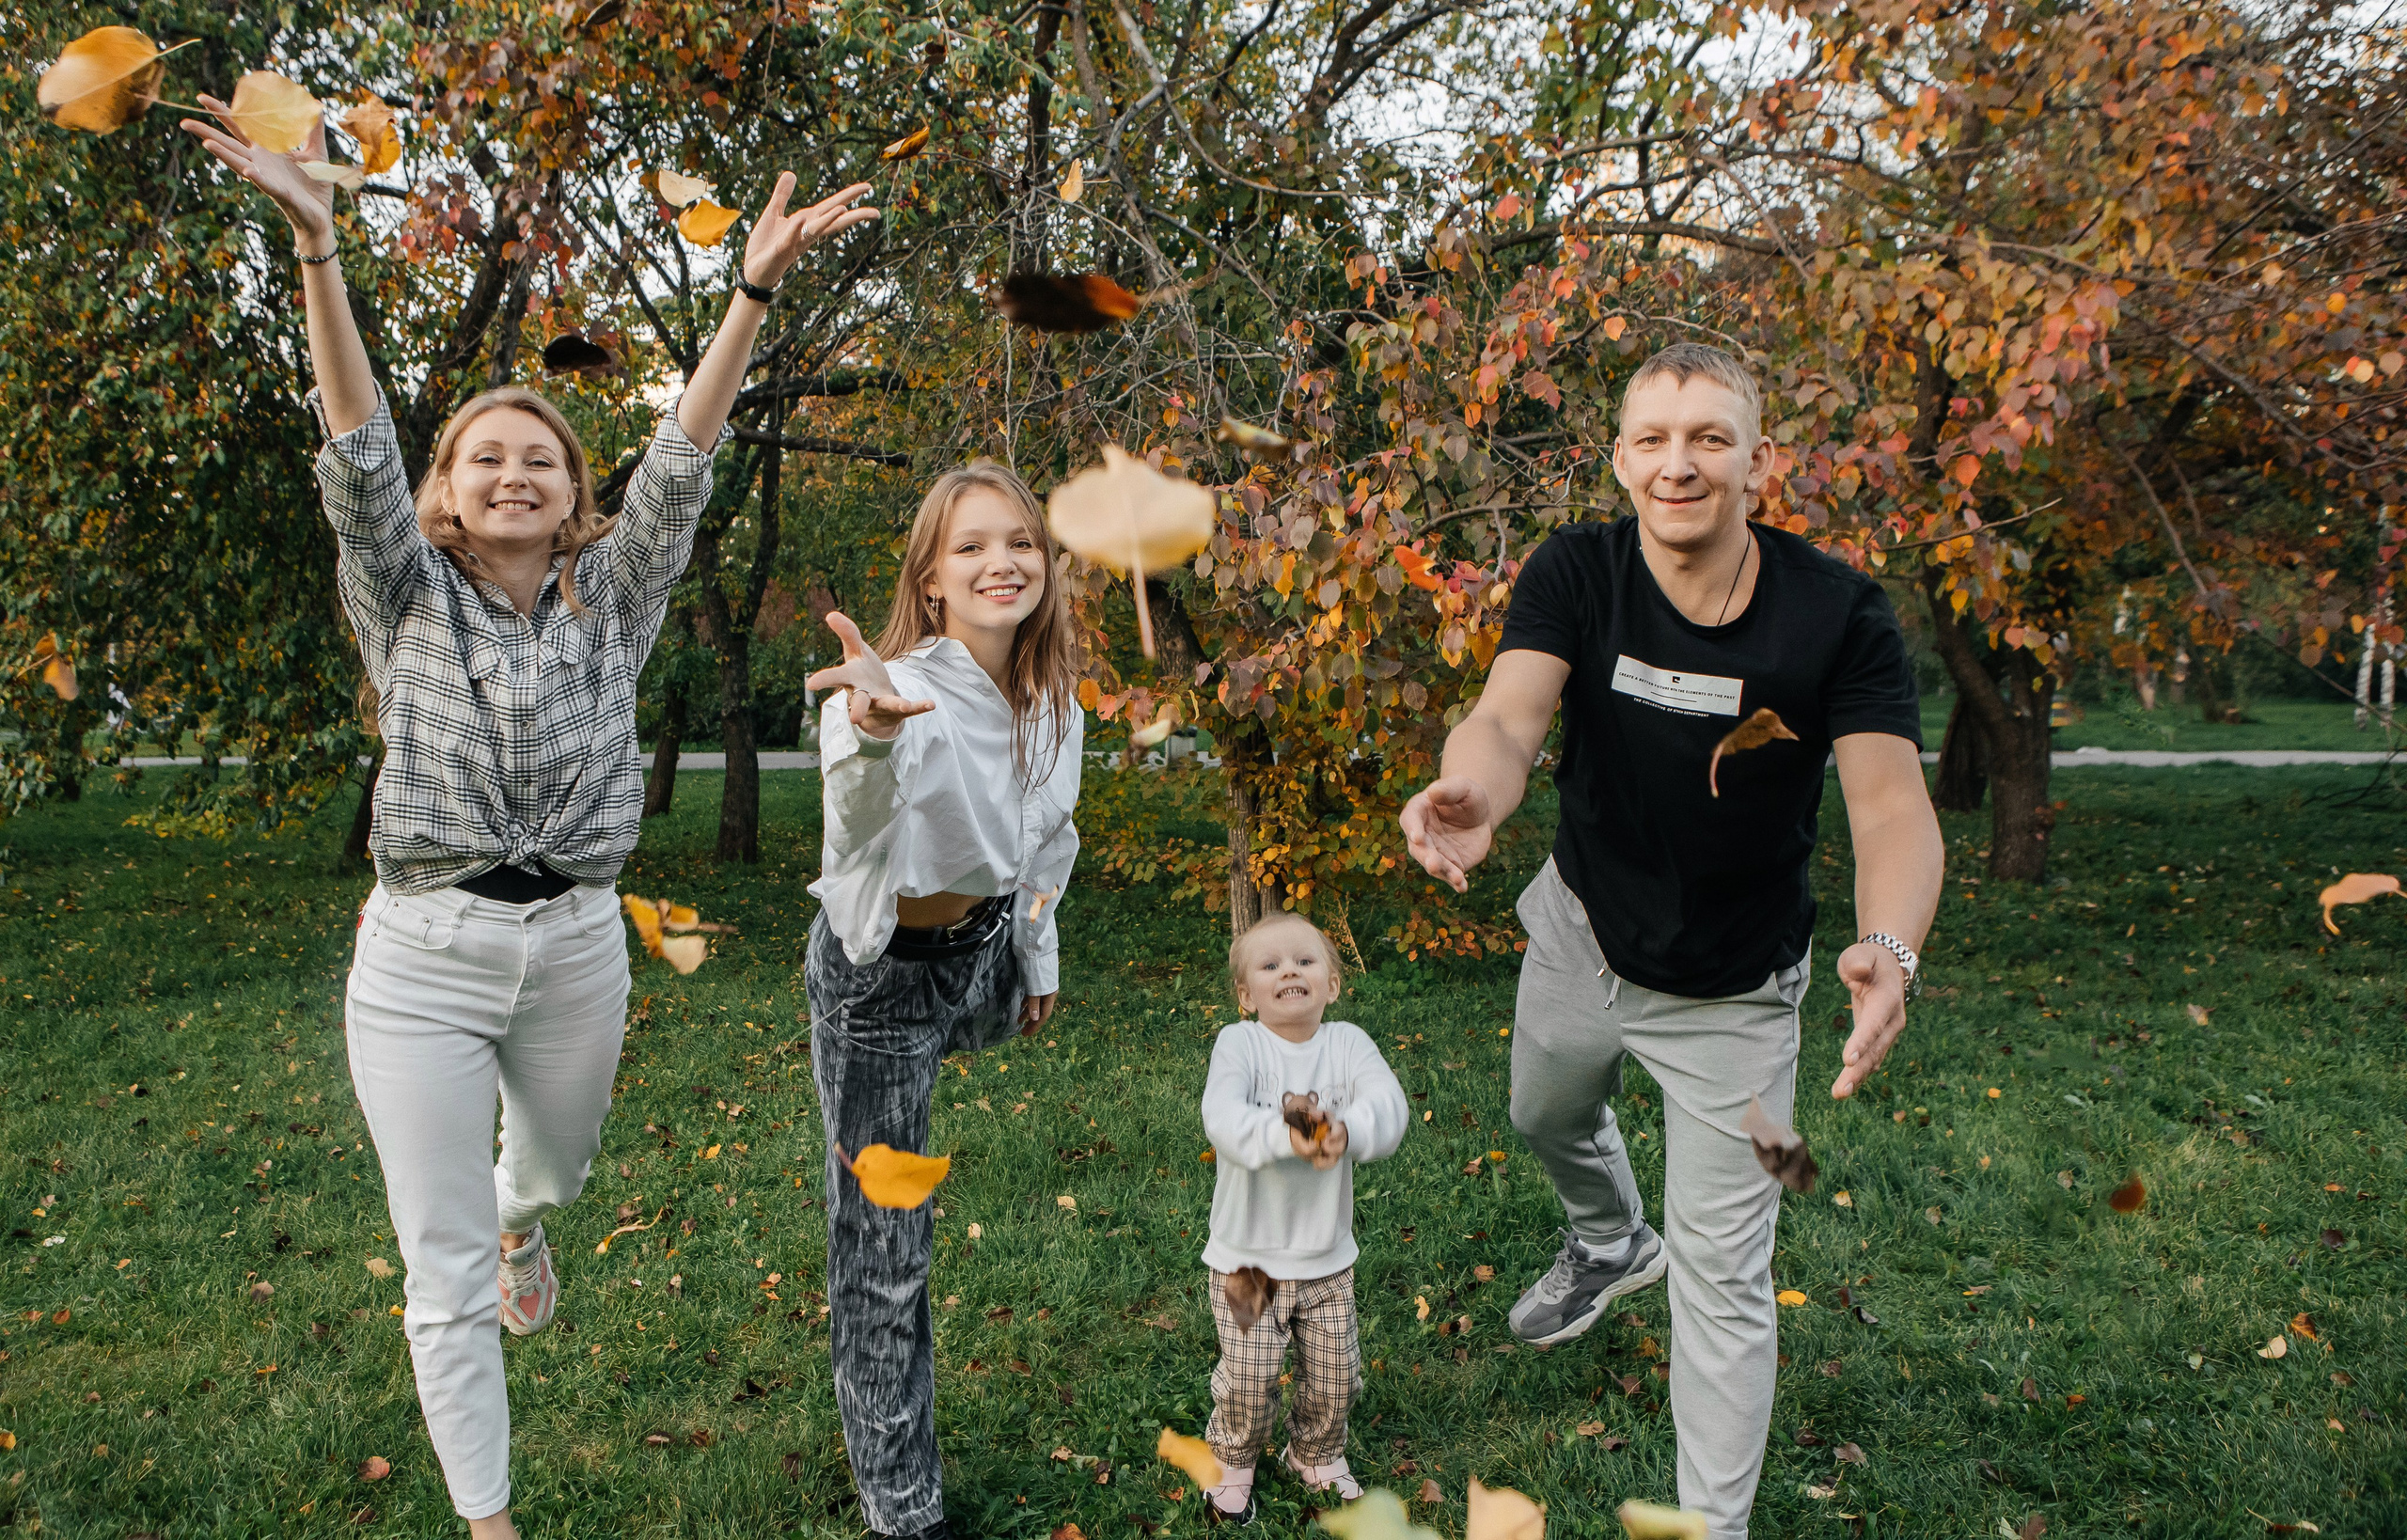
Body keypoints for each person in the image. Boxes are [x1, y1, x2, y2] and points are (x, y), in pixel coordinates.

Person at [178, 103, 877, 1539]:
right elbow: (358, 441)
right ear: (446, 493)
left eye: (542, 461)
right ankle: (489, 1519)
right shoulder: (403, 591)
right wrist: (318, 247)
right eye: (484, 457)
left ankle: (523, 1215)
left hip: (572, 946)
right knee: (438, 1268)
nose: (512, 473)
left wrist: (749, 292)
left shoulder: (610, 600)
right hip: (423, 955)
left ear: (572, 499)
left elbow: (680, 461)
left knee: (551, 1162)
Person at [1399, 342, 1943, 1539]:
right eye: (1651, 439)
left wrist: (1889, 948)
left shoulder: (1837, 615)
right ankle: (1606, 1240)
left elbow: (1893, 806)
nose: (1677, 463)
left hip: (1735, 993)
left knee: (1727, 1285)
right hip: (1582, 930)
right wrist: (1469, 796)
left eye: (1707, 436)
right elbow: (1506, 714)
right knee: (1542, 1114)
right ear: (1619, 460)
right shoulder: (1577, 572)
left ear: (1758, 458)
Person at [801, 461, 1085, 1540]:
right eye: (970, 547)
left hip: (982, 953)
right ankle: (903, 1508)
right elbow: (856, 826)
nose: (1000, 562)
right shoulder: (899, 685)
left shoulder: (1051, 697)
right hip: (880, 983)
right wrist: (870, 735)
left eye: (1019, 542)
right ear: (931, 579)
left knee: (899, 1219)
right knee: (885, 1253)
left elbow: (1044, 840)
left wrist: (1038, 958)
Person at [1193, 913, 1408, 1522]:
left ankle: (1314, 1451)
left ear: (1333, 984)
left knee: (1336, 1375)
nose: (1289, 969)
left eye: (1305, 961)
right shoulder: (1241, 1045)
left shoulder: (1348, 1045)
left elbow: (1387, 1106)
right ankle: (1234, 1459)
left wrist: (1351, 1130)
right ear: (1246, 996)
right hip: (1247, 1262)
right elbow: (1224, 1119)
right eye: (1270, 965)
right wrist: (1291, 1136)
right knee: (1248, 1374)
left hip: (1326, 1259)